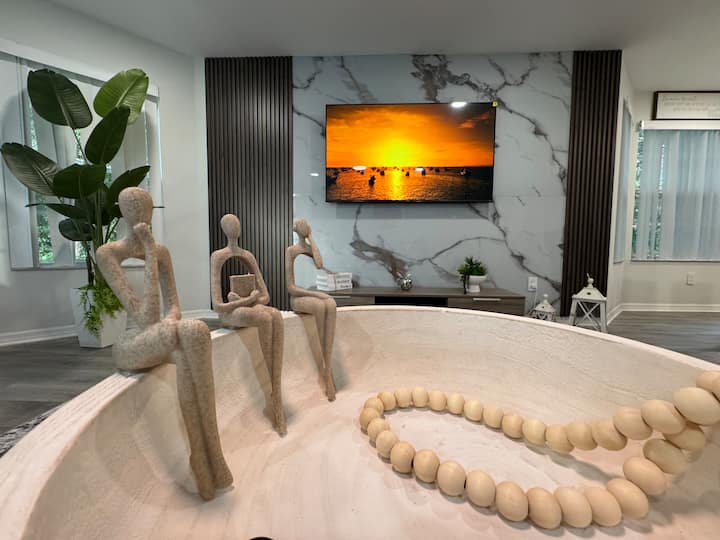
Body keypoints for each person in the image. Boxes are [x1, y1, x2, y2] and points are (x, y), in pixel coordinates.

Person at [96, 187, 232, 501]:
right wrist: (148, 252)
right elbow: (144, 317)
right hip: (131, 345)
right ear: (124, 213)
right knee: (188, 333)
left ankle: (206, 454)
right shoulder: (108, 253)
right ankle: (206, 456)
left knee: (195, 332)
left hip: (160, 334)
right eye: (134, 208)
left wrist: (171, 321)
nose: (141, 215)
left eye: (146, 208)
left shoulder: (163, 252)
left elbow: (173, 307)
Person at [210, 214, 286, 435]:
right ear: (224, 229)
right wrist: (243, 301)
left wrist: (248, 299)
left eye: (237, 224)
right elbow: (219, 306)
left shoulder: (247, 256)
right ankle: (273, 394)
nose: (235, 228)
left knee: (275, 315)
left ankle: (276, 391)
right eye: (230, 225)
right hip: (230, 314)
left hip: (245, 305)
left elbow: (265, 297)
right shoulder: (218, 256)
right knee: (264, 318)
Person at [286, 218, 337, 401]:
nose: (305, 227)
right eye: (302, 225)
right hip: (297, 299)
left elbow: (319, 264)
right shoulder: (291, 251)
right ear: (296, 229)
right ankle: (325, 370)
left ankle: (328, 367)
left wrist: (312, 238)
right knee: (320, 305)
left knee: (331, 304)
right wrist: (316, 294)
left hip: (309, 295)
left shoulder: (309, 250)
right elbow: (291, 287)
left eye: (306, 226)